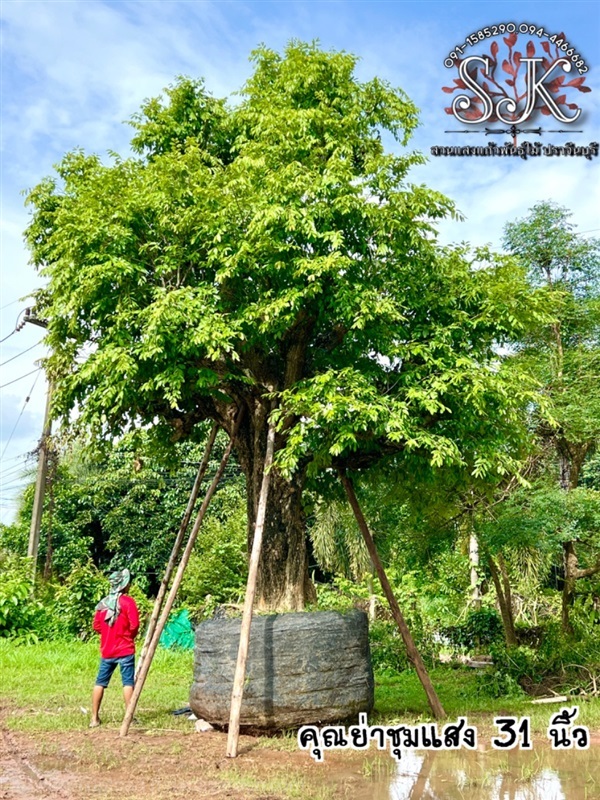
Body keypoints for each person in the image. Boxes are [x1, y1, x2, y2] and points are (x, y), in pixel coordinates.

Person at [90, 568, 140, 728]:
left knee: (100, 682)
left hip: (107, 650)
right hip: (125, 649)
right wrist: (128, 635)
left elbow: (96, 626)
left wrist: (107, 633)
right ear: (124, 585)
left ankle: (94, 718)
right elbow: (135, 625)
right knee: (127, 683)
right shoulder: (128, 602)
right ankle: (129, 717)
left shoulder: (103, 604)